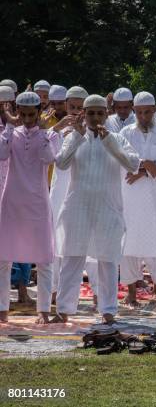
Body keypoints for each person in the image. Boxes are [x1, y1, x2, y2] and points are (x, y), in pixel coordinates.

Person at [53, 94, 140, 324]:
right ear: (83, 114)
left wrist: (109, 140)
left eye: (99, 113)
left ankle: (109, 310)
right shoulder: (73, 136)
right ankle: (63, 309)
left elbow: (133, 164)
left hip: (107, 208)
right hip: (77, 207)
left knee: (108, 260)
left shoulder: (117, 138)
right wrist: (78, 137)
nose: (94, 118)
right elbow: (60, 163)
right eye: (90, 113)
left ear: (106, 114)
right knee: (72, 258)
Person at [0, 92, 61, 323]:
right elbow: (2, 154)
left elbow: (49, 158)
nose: (27, 119)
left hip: (37, 201)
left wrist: (44, 132)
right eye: (23, 114)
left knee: (44, 258)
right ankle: (2, 310)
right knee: (3, 258)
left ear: (38, 112)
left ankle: (43, 311)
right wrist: (8, 125)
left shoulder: (50, 135)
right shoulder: (10, 134)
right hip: (12, 201)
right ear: (17, 111)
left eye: (31, 115)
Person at [119, 92, 156, 306]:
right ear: (134, 110)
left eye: (147, 112)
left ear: (155, 109)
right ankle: (131, 293)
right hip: (131, 197)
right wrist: (143, 164)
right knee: (128, 244)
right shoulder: (125, 132)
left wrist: (144, 171)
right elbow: (120, 157)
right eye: (139, 112)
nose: (143, 116)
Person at [49, 86, 89, 303]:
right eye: (72, 107)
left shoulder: (93, 131)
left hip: (79, 192)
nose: (75, 111)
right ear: (65, 106)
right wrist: (57, 129)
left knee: (81, 244)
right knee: (55, 241)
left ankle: (99, 295)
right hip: (58, 192)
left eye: (80, 108)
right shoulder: (56, 130)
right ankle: (54, 290)